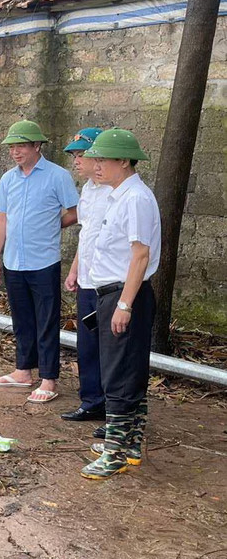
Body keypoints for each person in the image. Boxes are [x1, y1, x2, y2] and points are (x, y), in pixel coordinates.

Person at [80, 128, 160, 480]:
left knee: (118, 375)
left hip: (126, 294)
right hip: (114, 293)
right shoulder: (118, 195)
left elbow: (140, 256)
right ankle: (129, 444)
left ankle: (114, 452)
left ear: (124, 161)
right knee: (128, 371)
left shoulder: (136, 199)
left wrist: (125, 305)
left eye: (103, 159)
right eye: (94, 159)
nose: (95, 166)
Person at [0, 120, 79, 403]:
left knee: (46, 321)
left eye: (21, 146)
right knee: (22, 319)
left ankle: (48, 378)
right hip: (14, 261)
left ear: (37, 146)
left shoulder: (58, 176)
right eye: (12, 147)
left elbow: (76, 212)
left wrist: (53, 225)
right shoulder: (8, 179)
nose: (15, 152)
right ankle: (22, 371)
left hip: (44, 261)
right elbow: (1, 219)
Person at [61, 127, 109, 423]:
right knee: (87, 344)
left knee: (110, 348)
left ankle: (114, 408)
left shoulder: (114, 190)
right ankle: (91, 400)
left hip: (109, 283)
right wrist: (76, 268)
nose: (76, 161)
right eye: (75, 156)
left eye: (81, 155)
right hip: (88, 280)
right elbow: (86, 233)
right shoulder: (89, 189)